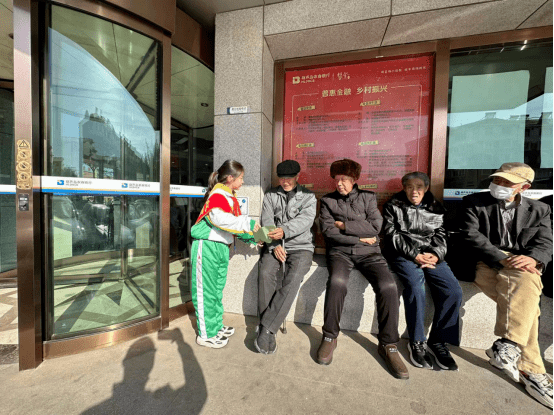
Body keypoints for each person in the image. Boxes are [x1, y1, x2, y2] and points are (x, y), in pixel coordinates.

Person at [459, 162, 553, 409]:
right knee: (530, 304)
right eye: (497, 180)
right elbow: (471, 236)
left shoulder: (540, 209)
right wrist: (504, 258)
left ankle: (512, 349)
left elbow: (545, 244)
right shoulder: (473, 202)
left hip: (522, 269)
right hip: (485, 263)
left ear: (524, 187)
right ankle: (531, 370)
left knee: (529, 283)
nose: (498, 185)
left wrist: (533, 259)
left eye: (507, 183)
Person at [317, 159, 409, 379]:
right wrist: (360, 237)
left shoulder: (368, 197)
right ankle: (330, 336)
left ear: (354, 180)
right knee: (337, 283)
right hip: (340, 253)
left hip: (371, 254)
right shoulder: (328, 201)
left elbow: (377, 227)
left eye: (345, 180)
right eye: (337, 180)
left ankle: (388, 344)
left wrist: (345, 226)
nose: (340, 184)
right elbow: (329, 233)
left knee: (388, 286)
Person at [382, 172, 462, 371]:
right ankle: (417, 341)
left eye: (419, 187)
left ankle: (438, 341)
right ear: (404, 188)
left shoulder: (436, 207)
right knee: (416, 286)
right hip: (405, 255)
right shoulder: (394, 206)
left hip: (431, 256)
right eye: (409, 186)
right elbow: (392, 235)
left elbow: (442, 235)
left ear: (426, 188)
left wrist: (436, 254)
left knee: (453, 290)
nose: (414, 191)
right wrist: (415, 255)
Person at [190, 160, 260, 348]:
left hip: (220, 248)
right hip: (207, 247)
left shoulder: (229, 196)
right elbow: (219, 219)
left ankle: (215, 326)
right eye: (241, 178)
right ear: (230, 178)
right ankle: (205, 334)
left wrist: (256, 238)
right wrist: (249, 224)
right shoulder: (219, 194)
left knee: (216, 291)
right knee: (206, 292)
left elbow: (232, 227)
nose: (243, 182)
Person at [255, 160, 316, 354]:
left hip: (301, 247)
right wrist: (273, 246)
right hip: (275, 245)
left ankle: (266, 327)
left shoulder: (309, 196)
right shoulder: (271, 195)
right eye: (281, 178)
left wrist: (284, 231)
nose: (285, 182)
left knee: (294, 278)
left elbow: (305, 221)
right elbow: (266, 220)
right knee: (264, 273)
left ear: (298, 177)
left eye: (289, 178)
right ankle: (269, 329)